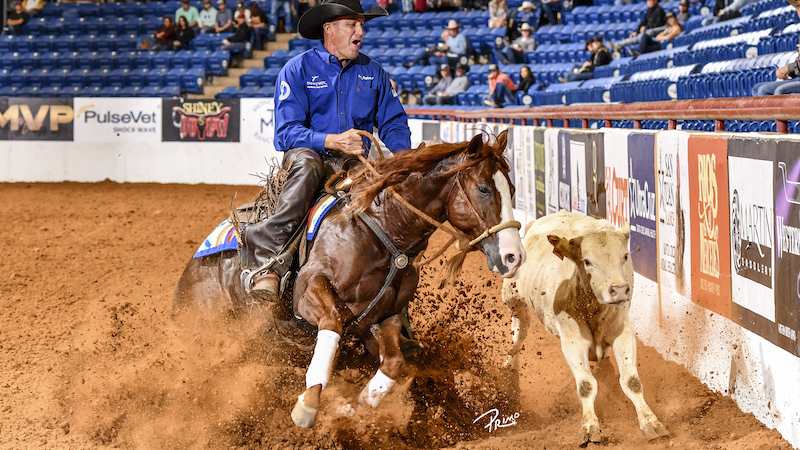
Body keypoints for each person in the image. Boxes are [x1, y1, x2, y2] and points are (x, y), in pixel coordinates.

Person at [241, 0, 411, 306]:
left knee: (391, 218)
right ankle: (270, 261)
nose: (360, 31)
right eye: (352, 25)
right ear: (329, 29)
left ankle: (394, 310)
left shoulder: (374, 73)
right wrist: (332, 140)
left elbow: (394, 123)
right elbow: (286, 133)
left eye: (362, 25)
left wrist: (406, 160)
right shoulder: (297, 70)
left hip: (355, 165)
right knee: (308, 165)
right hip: (308, 158)